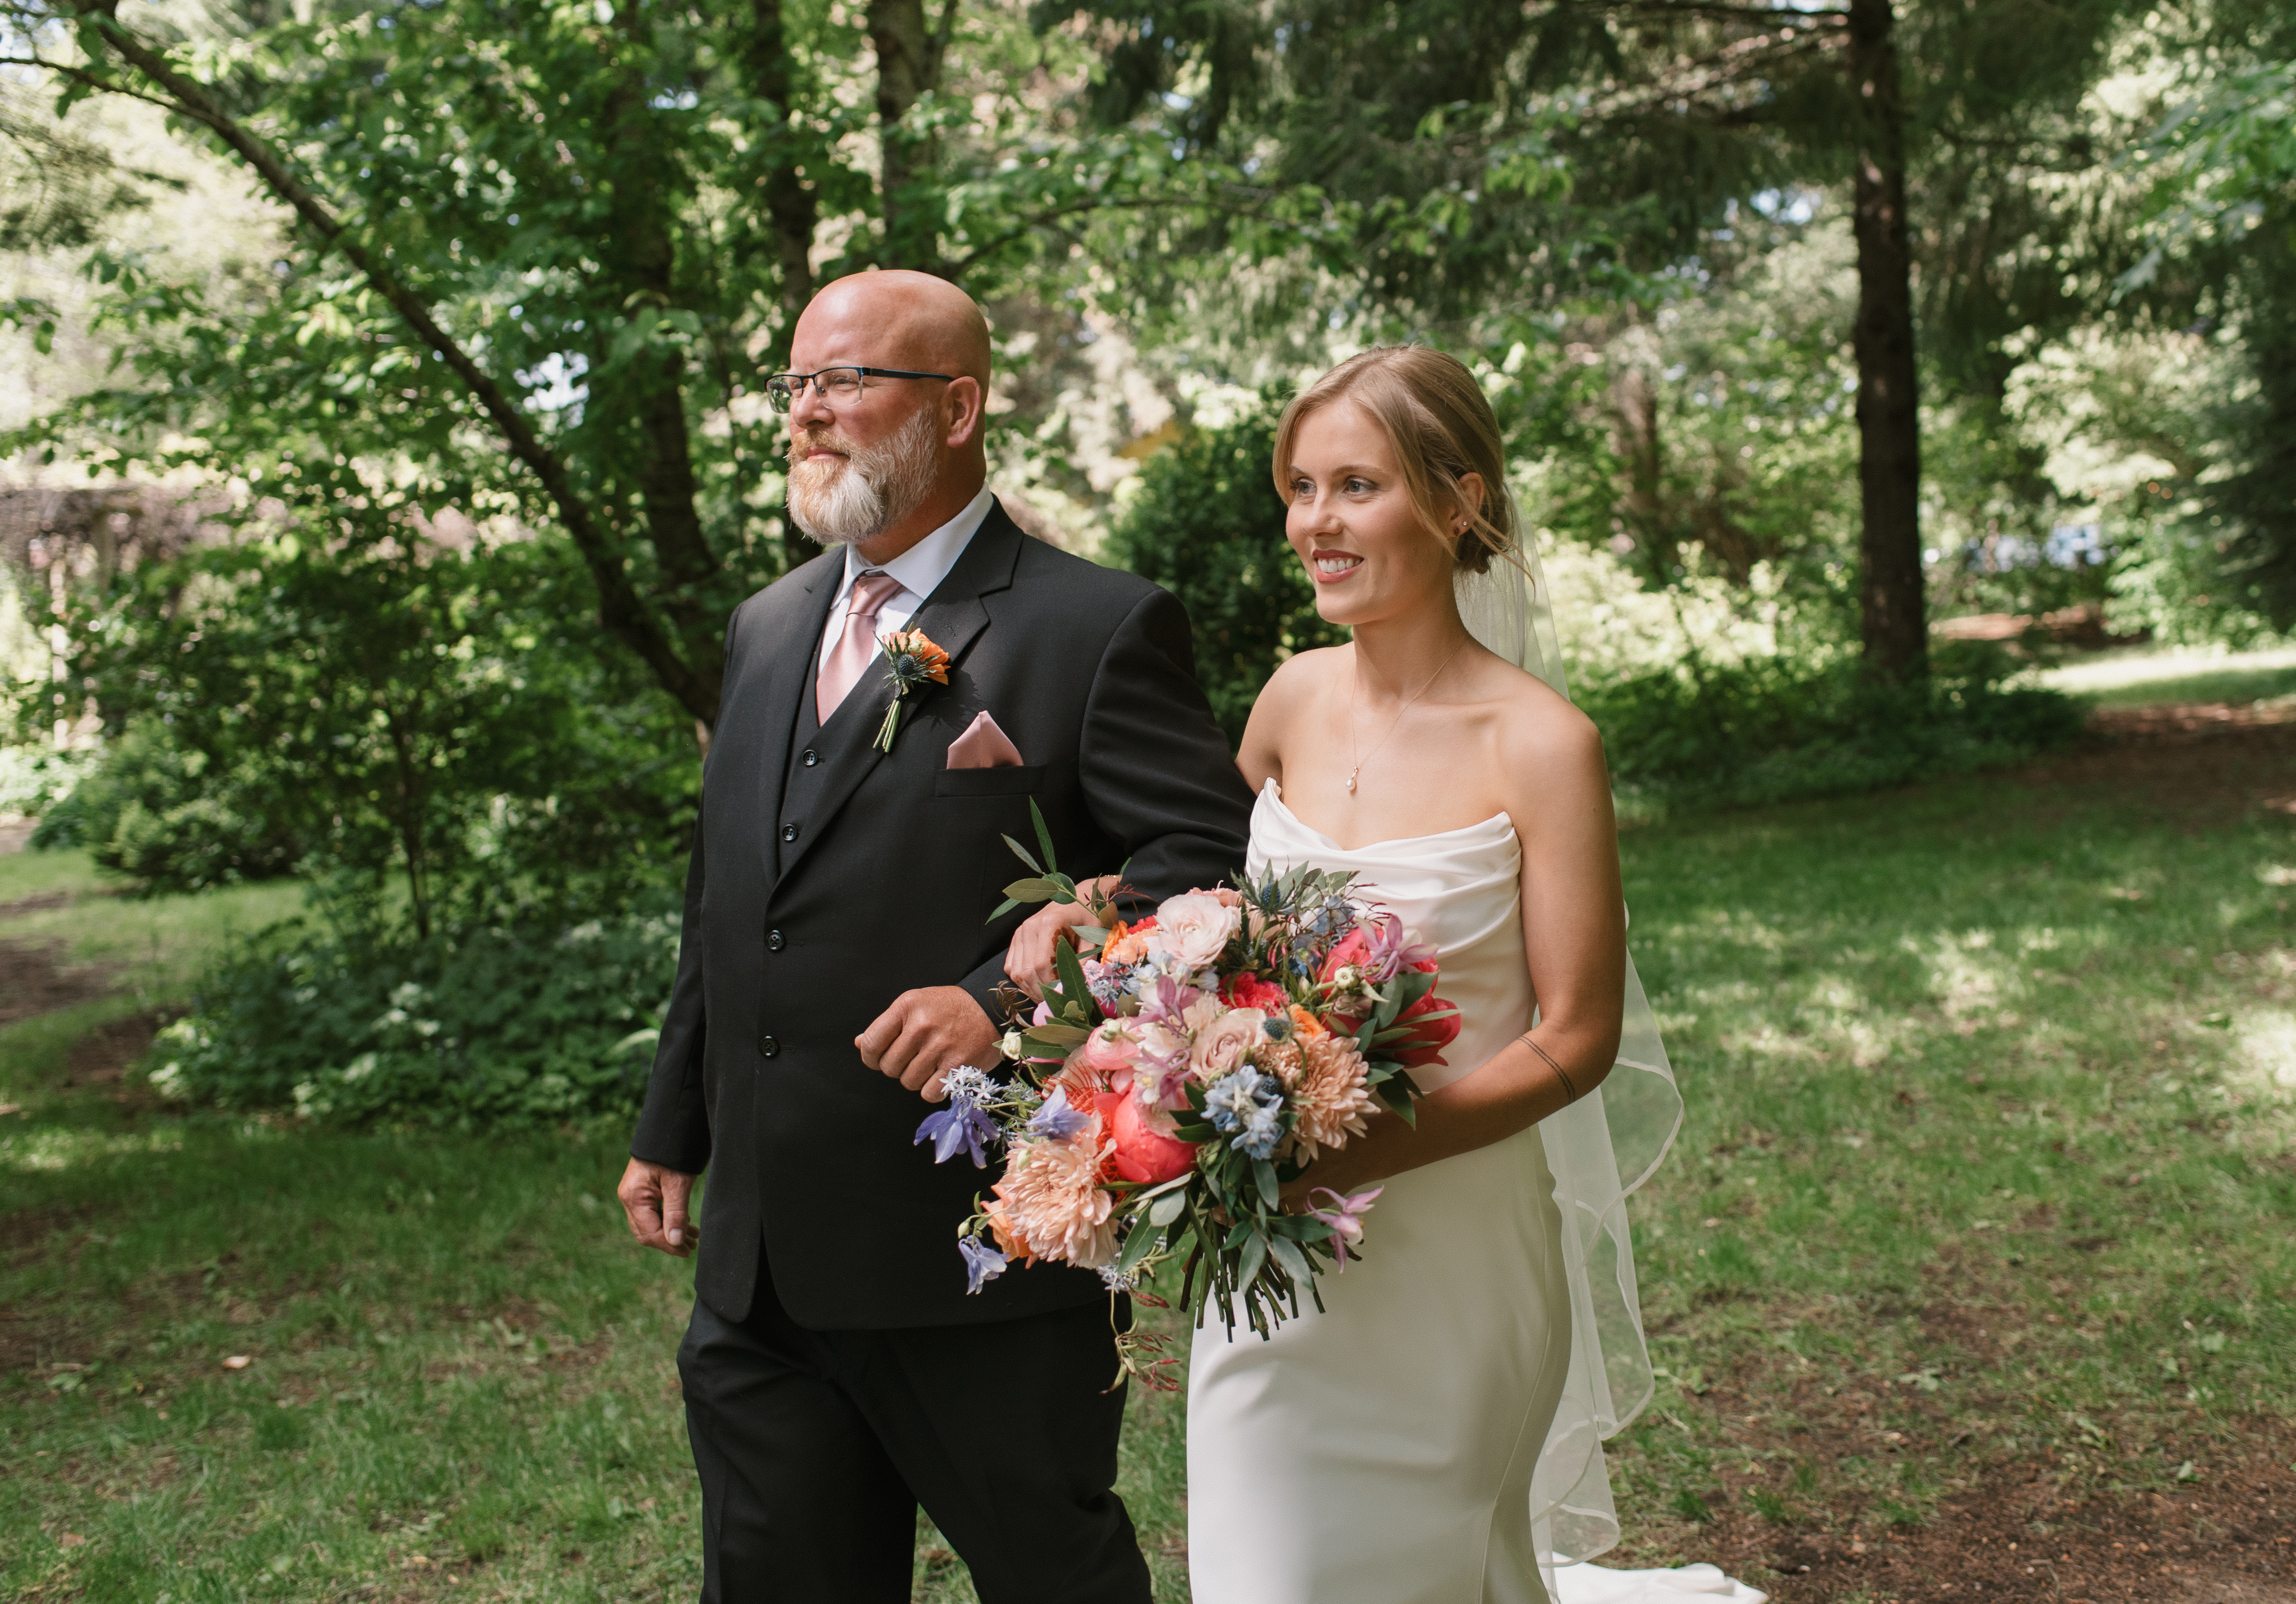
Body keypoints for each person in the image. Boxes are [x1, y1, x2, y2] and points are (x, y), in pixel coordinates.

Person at [1011, 347, 1711, 1603]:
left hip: (1449, 1255)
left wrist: (1358, 1156)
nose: (1314, 524)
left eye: (1356, 487)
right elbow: (1206, 917)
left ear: (1461, 502)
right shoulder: (1288, 699)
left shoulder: (1544, 745)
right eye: (1299, 487)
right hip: (1275, 1261)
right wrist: (1101, 931)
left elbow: (1575, 1037)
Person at [615, 269, 1252, 1604]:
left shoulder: (1094, 626)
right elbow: (729, 897)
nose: (808, 415)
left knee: (1051, 1578)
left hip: (980, 1252)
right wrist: (675, 1121)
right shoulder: (765, 627)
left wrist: (1004, 1005)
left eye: (845, 383)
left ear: (957, 407)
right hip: (762, 1260)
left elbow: (1198, 867)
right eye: (796, 386)